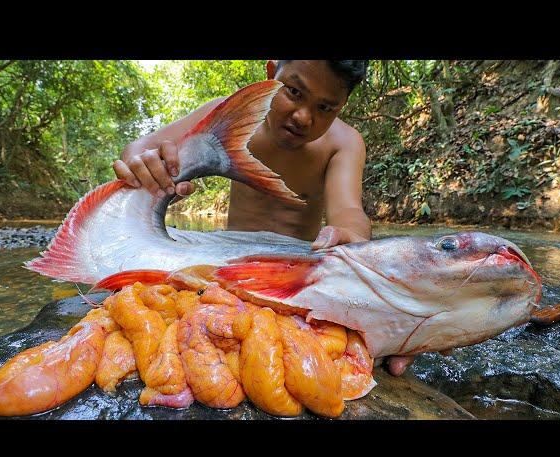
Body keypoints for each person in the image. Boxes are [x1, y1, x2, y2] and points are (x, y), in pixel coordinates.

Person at [113, 60, 415, 376]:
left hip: (290, 275)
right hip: (223, 269)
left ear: (343, 105)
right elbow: (139, 148)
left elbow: (350, 212)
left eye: (326, 107)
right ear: (271, 73)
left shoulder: (343, 142)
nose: (304, 116)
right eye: (295, 91)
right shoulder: (230, 115)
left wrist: (352, 236)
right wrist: (145, 165)